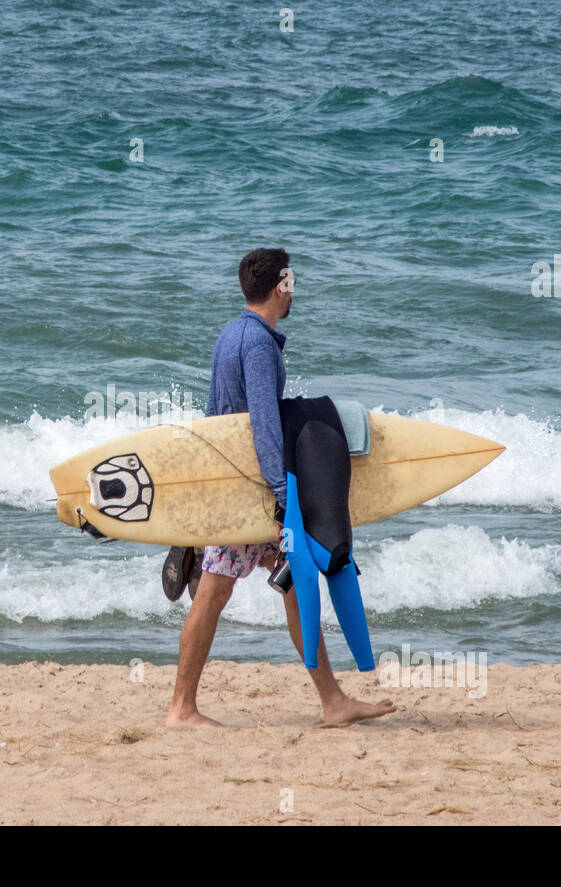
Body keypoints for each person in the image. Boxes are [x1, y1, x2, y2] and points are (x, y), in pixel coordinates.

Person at [163, 247, 395, 727]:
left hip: (237, 480)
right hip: (249, 490)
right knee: (213, 591)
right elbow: (264, 424)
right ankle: (181, 708)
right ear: (279, 286)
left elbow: (223, 415)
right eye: (291, 281)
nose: (294, 289)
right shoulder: (257, 344)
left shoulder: (234, 333)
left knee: (295, 581)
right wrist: (282, 496)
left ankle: (332, 701)